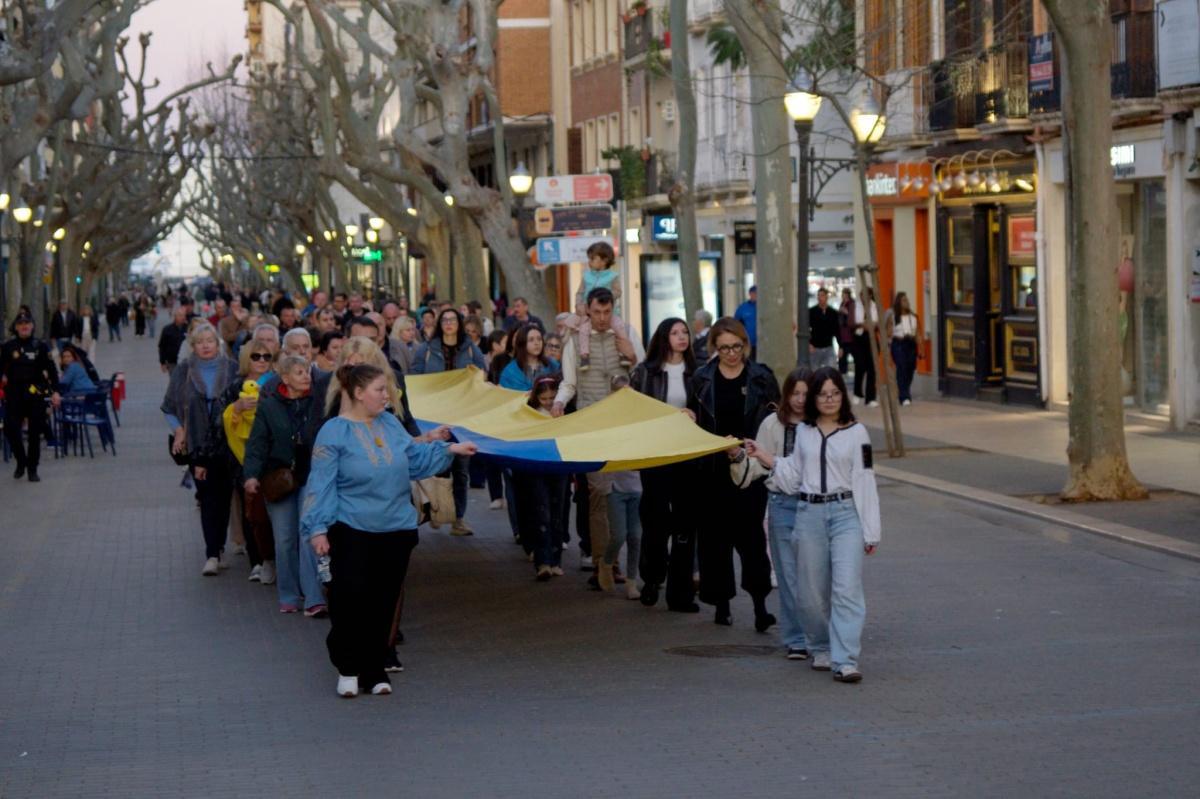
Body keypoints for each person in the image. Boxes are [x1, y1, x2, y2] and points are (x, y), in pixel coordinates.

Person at [301, 363, 476, 697]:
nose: (388, 396)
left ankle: (374, 667)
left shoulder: (391, 425)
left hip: (395, 527)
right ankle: (348, 667)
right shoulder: (334, 432)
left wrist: (450, 449)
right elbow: (320, 484)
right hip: (351, 527)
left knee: (383, 600)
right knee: (350, 597)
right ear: (357, 393)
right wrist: (317, 529)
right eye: (381, 390)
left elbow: (414, 458)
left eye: (388, 389)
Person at [744, 367, 881, 683]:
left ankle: (845, 659)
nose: (830, 399)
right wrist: (764, 455)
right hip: (809, 515)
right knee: (809, 592)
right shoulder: (804, 432)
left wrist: (871, 530)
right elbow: (792, 476)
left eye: (835, 393)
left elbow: (865, 479)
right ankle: (820, 646)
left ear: (842, 396)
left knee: (846, 588)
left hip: (846, 514)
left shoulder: (858, 433)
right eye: (823, 394)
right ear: (815, 399)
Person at [688, 316, 778, 629]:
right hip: (712, 472)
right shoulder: (702, 379)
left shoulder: (761, 378)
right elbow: (695, 422)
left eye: (736, 347)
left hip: (750, 471)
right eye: (724, 348)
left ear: (745, 345)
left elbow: (775, 420)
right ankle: (722, 605)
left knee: (752, 542)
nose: (731, 353)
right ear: (714, 347)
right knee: (715, 543)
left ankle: (760, 607)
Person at [552, 287, 645, 588]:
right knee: (598, 497)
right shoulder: (575, 341)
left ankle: (613, 560)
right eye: (597, 312)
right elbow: (569, 382)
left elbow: (642, 373)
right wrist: (558, 402)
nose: (603, 319)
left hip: (623, 427)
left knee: (623, 494)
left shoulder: (627, 332)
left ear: (613, 309)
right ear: (587, 311)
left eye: (608, 312)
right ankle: (604, 562)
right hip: (590, 426)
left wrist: (631, 354)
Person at [730, 367, 810, 659]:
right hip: (782, 505)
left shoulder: (820, 426)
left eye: (806, 393)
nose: (800, 399)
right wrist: (738, 456)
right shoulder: (771, 425)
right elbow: (757, 466)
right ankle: (796, 639)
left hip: (814, 505)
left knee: (813, 576)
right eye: (795, 393)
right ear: (785, 396)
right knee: (788, 576)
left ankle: (818, 632)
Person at [243, 354, 326, 616]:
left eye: (308, 372)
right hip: (279, 478)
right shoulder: (269, 406)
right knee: (285, 538)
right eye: (300, 373)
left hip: (310, 475)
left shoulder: (318, 401)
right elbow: (257, 443)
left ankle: (313, 597)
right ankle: (289, 594)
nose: (306, 377)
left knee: (308, 534)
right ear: (285, 378)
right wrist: (251, 475)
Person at [629, 317, 699, 612]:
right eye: (675, 332)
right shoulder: (645, 373)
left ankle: (680, 593)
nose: (682, 337)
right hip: (657, 454)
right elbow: (632, 410)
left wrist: (694, 414)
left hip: (688, 455)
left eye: (685, 332)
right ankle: (651, 579)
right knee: (655, 520)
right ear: (663, 337)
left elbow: (707, 409)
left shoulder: (698, 373)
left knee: (685, 523)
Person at [161, 323, 240, 575]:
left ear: (218, 344)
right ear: (193, 346)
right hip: (197, 446)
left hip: (227, 445)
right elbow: (168, 407)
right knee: (207, 498)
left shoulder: (233, 369)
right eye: (200, 341)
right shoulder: (184, 371)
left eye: (210, 340)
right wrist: (180, 432)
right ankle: (212, 553)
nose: (206, 345)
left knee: (225, 497)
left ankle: (219, 548)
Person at [410, 308, 486, 536]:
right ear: (439, 324)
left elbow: (483, 376)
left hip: (462, 417)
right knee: (437, 464)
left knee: (461, 469)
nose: (449, 323)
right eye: (445, 320)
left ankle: (459, 518)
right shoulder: (426, 349)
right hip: (434, 418)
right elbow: (414, 378)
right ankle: (438, 510)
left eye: (453, 319)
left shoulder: (470, 349)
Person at [217, 339, 277, 586]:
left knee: (274, 510)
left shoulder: (276, 383)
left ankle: (274, 559)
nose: (262, 361)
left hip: (273, 457)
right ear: (246, 359)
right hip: (243, 459)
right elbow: (220, 423)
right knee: (252, 512)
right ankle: (258, 561)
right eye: (256, 356)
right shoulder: (234, 387)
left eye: (266, 356)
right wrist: (237, 408)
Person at [513, 376, 569, 580]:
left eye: (552, 397)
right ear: (536, 397)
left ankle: (555, 561)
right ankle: (544, 562)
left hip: (558, 468)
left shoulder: (563, 412)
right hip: (536, 469)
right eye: (544, 398)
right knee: (541, 513)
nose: (548, 402)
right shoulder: (530, 413)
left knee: (557, 514)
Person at [1, 313, 61, 482]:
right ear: (16, 327)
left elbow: (52, 371)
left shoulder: (40, 346)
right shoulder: (8, 347)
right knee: (10, 428)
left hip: (36, 391)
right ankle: (21, 461)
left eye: (27, 323)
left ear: (32, 326)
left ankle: (32, 469)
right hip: (14, 392)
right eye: (20, 324)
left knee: (35, 432)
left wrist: (55, 391)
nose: (24, 326)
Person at [562, 242, 633, 370]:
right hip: (587, 312)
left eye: (592, 259)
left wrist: (605, 297)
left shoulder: (612, 276)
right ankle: (584, 356)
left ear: (604, 260)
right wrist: (578, 304)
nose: (589, 262)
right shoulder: (586, 276)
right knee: (581, 329)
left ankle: (623, 354)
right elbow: (580, 292)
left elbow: (618, 292)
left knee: (620, 328)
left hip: (608, 313)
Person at [499, 324, 558, 391]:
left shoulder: (552, 365)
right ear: (522, 343)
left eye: (539, 339)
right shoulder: (510, 371)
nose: (537, 343)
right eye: (531, 340)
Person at [886, 291, 919, 406]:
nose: (907, 302)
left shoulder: (913, 317)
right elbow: (889, 332)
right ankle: (904, 396)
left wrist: (919, 346)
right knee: (901, 367)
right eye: (904, 300)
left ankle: (904, 390)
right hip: (899, 343)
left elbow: (917, 333)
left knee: (910, 369)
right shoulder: (894, 317)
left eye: (907, 300)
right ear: (898, 302)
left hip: (910, 343)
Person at [852, 287, 878, 407]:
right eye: (862, 295)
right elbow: (850, 324)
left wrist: (873, 325)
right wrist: (861, 324)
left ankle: (871, 397)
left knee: (872, 369)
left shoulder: (875, 306)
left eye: (867, 295)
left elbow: (878, 322)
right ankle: (857, 393)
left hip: (871, 338)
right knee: (860, 366)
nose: (864, 298)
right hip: (858, 338)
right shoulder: (855, 306)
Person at [809, 288, 840, 370]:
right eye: (818, 296)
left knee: (831, 371)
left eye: (822, 296)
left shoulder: (833, 313)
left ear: (826, 297)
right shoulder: (811, 312)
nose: (819, 298)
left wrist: (841, 346)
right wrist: (809, 344)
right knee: (814, 373)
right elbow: (806, 329)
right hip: (815, 347)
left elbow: (837, 330)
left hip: (828, 346)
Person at [158, 306, 190, 373]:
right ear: (175, 316)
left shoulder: (189, 328)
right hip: (172, 362)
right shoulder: (167, 329)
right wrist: (162, 362)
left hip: (186, 361)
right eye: (180, 315)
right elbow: (162, 346)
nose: (183, 317)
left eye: (184, 315)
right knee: (175, 381)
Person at [734, 285, 757, 356]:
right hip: (748, 342)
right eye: (754, 293)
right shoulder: (743, 308)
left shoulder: (766, 307)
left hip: (764, 344)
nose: (755, 295)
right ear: (750, 294)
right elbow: (736, 324)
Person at [837, 288, 856, 375]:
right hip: (843, 336)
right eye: (843, 295)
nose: (844, 296)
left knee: (855, 356)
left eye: (845, 295)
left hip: (851, 336)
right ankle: (843, 374)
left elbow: (853, 318)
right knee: (842, 360)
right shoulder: (842, 304)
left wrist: (846, 312)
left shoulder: (852, 304)